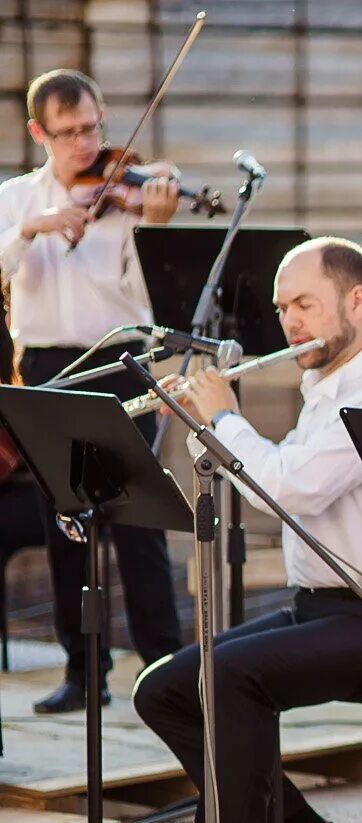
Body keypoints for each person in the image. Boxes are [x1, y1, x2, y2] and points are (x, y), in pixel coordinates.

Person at [135, 238, 362, 823]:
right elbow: (262, 473)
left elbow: (292, 488)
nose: (290, 322)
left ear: (357, 302)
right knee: (161, 688)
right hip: (324, 608)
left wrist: (222, 416)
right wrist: (199, 421)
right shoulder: (325, 389)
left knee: (232, 674)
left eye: (305, 303)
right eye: (282, 309)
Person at [0, 68, 182, 713]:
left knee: (140, 516)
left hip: (120, 358)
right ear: (37, 132)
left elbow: (156, 299)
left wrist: (154, 229)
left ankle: (166, 668)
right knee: (64, 519)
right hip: (49, 362)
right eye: (69, 132)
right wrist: (32, 229)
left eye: (93, 128)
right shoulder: (18, 198)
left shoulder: (128, 193)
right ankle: (84, 672)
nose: (85, 144)